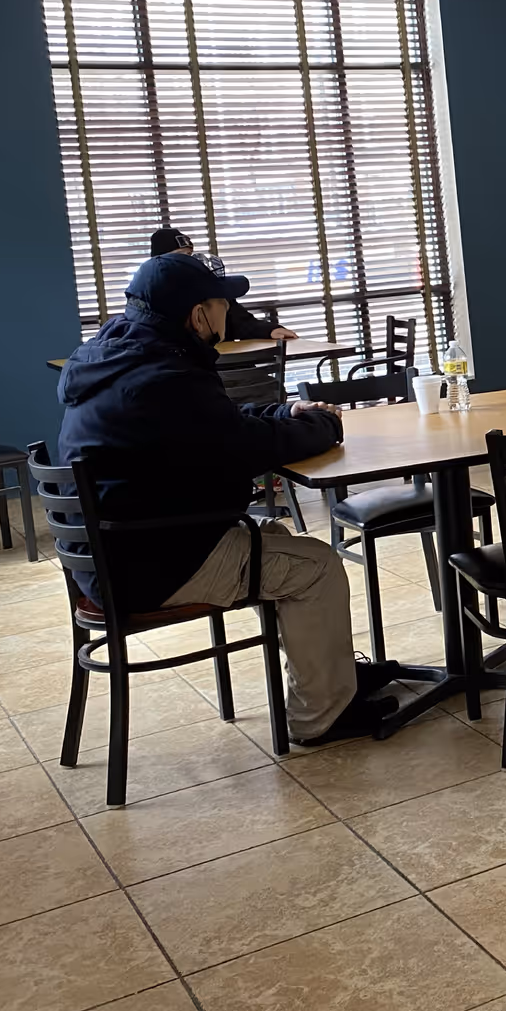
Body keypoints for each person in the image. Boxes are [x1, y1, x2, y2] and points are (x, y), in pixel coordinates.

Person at [57, 252, 397, 745]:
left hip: (115, 554)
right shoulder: (165, 376)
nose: (228, 315)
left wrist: (284, 408)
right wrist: (322, 424)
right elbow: (249, 447)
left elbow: (217, 420)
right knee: (316, 564)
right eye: (222, 305)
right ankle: (322, 717)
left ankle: (332, 677)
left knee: (279, 540)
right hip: (153, 563)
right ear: (199, 315)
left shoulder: (121, 358)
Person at [149, 227, 297, 342]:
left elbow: (241, 322)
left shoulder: (212, 288)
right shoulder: (150, 298)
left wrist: (269, 331)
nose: (190, 262)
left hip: (227, 367)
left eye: (190, 255)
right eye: (181, 257)